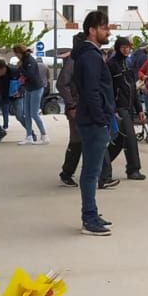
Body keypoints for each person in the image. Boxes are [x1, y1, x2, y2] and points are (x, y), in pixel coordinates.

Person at [71, 11, 115, 236]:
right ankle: (89, 217)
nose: (108, 31)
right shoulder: (90, 56)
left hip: (93, 119)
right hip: (93, 121)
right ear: (92, 30)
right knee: (91, 171)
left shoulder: (91, 54)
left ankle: (92, 212)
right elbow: (91, 90)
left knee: (92, 169)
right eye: (104, 27)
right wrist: (101, 118)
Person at [56, 34, 115, 190]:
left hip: (90, 106)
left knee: (91, 140)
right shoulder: (74, 60)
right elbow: (62, 84)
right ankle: (71, 173)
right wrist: (72, 105)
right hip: (79, 107)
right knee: (83, 141)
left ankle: (101, 176)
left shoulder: (90, 58)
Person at [107, 37, 145, 180]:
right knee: (129, 139)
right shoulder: (112, 65)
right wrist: (113, 107)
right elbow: (108, 88)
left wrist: (139, 108)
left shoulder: (128, 64)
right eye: (123, 47)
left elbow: (133, 89)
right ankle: (133, 169)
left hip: (128, 106)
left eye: (127, 47)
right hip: (119, 107)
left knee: (120, 140)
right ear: (118, 48)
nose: (125, 49)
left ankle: (101, 164)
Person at [12, 44, 47, 145]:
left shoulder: (29, 60)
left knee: (34, 113)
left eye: (16, 54)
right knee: (26, 113)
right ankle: (29, 136)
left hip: (36, 87)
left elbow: (29, 74)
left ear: (20, 52)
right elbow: (21, 73)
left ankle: (44, 135)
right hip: (28, 88)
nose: (16, 56)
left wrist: (20, 68)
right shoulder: (23, 61)